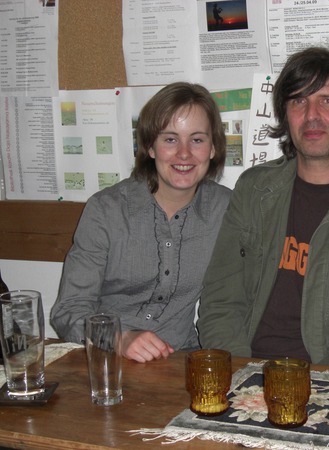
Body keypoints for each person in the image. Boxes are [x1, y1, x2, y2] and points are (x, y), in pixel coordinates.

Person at [197, 47, 329, 371]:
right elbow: (219, 303)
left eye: (327, 100)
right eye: (298, 101)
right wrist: (241, 375)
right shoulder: (253, 190)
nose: (311, 115)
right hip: (247, 371)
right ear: (285, 114)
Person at [51, 82, 231, 363]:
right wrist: (118, 338)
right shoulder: (106, 210)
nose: (184, 153)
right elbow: (68, 310)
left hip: (180, 360)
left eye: (197, 140)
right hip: (107, 359)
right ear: (150, 147)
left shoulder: (227, 209)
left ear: (213, 148)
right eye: (170, 139)